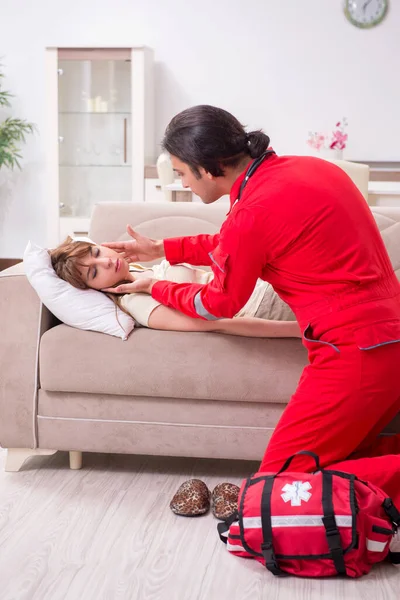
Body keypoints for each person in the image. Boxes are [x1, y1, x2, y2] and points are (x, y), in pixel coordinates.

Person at [103, 105, 400, 510]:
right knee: (348, 459)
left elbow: (216, 304)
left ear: (206, 169)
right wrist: (161, 249)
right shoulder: (312, 169)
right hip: (387, 336)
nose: (183, 183)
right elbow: (238, 243)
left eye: (182, 173)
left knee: (276, 491)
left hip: (355, 352)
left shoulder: (253, 211)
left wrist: (157, 286)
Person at [49, 237, 300, 338]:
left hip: (264, 282)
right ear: (93, 290)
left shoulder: (136, 272)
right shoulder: (136, 302)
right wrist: (300, 331)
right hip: (264, 303)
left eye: (95, 252)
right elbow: (219, 323)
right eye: (94, 272)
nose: (105, 261)